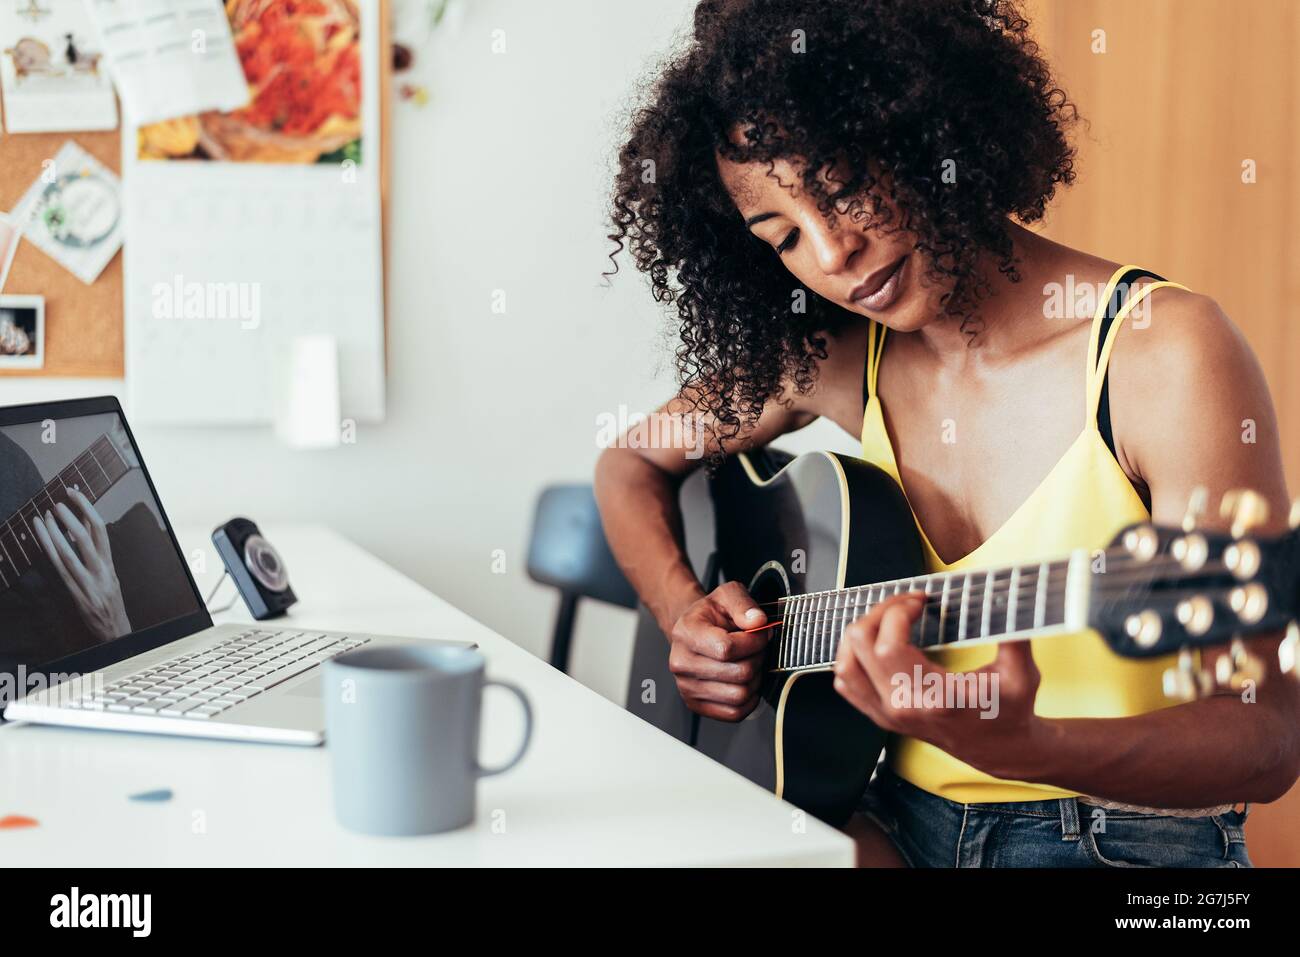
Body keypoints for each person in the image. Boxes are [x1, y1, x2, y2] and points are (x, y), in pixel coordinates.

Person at [595, 0, 1299, 867]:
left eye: (844, 186)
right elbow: (628, 462)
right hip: (886, 820)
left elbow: (1267, 733)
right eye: (781, 236)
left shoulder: (1164, 354)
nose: (831, 257)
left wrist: (1029, 746)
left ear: (930, 127)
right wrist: (683, 612)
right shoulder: (834, 356)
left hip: (1128, 846)